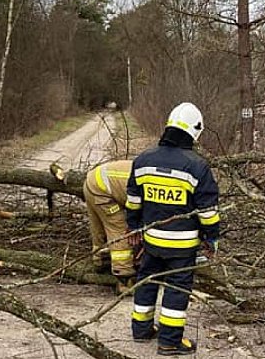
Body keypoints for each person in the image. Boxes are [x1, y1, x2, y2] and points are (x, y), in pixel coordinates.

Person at [125, 102, 221, 356]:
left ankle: (141, 329)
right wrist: (212, 239)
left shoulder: (143, 160)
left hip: (152, 241)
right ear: (195, 131)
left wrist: (134, 228)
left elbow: (133, 201)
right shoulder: (197, 166)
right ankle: (169, 341)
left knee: (147, 282)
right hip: (182, 246)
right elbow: (208, 213)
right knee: (177, 291)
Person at [83, 160, 137, 294]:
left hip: (92, 181)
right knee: (119, 231)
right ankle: (124, 281)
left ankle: (100, 262)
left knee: (99, 229)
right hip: (102, 190)